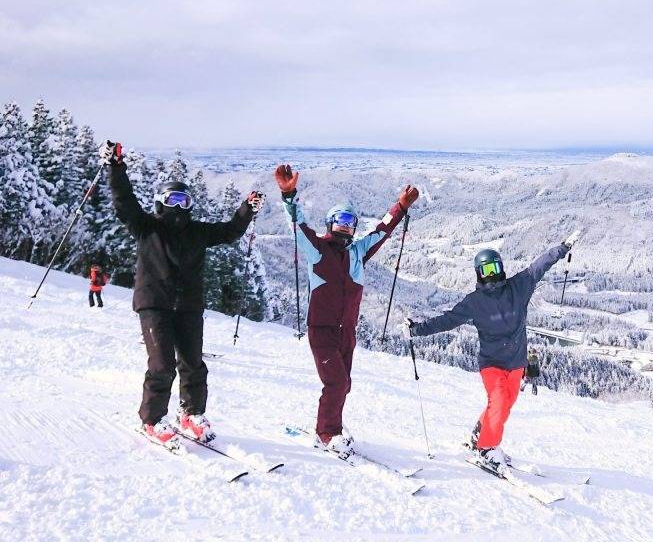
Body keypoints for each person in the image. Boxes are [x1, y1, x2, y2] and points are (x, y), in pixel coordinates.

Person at [102, 141, 263, 448]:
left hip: (188, 306)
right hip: (154, 304)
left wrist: (246, 210)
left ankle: (191, 414)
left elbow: (230, 231)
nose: (179, 205)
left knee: (193, 363)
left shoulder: (198, 232)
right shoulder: (146, 227)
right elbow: (124, 202)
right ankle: (152, 420)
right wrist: (115, 167)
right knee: (161, 364)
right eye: (173, 198)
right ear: (161, 203)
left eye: (184, 199)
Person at [274, 163, 418, 458]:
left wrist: (400, 207)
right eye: (339, 220)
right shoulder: (318, 250)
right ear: (330, 223)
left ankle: (331, 425)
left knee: (344, 384)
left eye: (350, 221)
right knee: (336, 382)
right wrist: (289, 195)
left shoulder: (357, 252)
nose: (345, 225)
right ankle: (327, 433)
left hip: (346, 332)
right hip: (322, 331)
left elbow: (383, 230)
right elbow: (299, 227)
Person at [406, 231, 580, 471]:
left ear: (501, 267)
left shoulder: (518, 287)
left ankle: (481, 435)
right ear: (479, 273)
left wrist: (562, 248)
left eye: (495, 268)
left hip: (517, 362)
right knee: (498, 403)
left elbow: (540, 266)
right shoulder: (474, 302)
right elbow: (447, 320)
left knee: (504, 406)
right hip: (492, 363)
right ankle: (486, 449)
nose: (492, 274)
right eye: (486, 270)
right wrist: (417, 330)